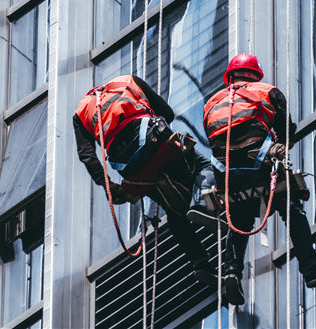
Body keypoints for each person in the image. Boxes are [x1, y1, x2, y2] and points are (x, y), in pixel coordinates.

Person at [73, 74, 215, 285]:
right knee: (203, 166)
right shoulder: (128, 81)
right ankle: (201, 205)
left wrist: (107, 186)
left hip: (129, 167)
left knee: (173, 210)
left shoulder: (81, 111)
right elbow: (167, 112)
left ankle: (201, 263)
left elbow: (87, 155)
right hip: (153, 141)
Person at [203, 53, 316, 306]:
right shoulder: (268, 91)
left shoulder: (214, 100)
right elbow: (286, 130)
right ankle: (311, 271)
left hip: (225, 170)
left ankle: (232, 271)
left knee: (240, 217)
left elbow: (211, 135)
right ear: (255, 75)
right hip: (258, 161)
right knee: (290, 207)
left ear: (230, 76)